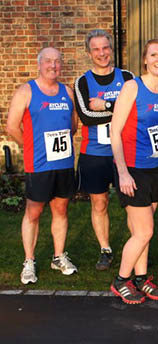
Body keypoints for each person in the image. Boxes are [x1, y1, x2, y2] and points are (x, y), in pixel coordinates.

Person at [7, 47, 78, 284]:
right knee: (33, 212)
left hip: (64, 163)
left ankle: (58, 256)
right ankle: (29, 261)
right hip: (38, 166)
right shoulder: (26, 91)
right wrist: (32, 147)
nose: (53, 65)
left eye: (57, 61)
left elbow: (73, 124)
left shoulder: (67, 91)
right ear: (39, 64)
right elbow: (12, 127)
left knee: (61, 209)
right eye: (48, 61)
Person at [109, 39, 158, 304]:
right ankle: (121, 280)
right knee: (144, 231)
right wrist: (122, 172)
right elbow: (115, 130)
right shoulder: (133, 86)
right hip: (132, 170)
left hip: (155, 168)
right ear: (145, 59)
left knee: (141, 230)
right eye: (154, 55)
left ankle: (141, 278)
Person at [74, 29, 134, 271]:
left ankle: (136, 245)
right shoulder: (82, 81)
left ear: (112, 49)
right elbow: (87, 116)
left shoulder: (127, 76)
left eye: (105, 48)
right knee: (99, 203)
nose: (102, 53)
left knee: (133, 203)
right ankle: (105, 249)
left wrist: (106, 105)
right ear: (89, 53)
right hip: (95, 154)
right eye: (96, 49)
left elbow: (135, 109)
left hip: (126, 152)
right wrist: (120, 108)